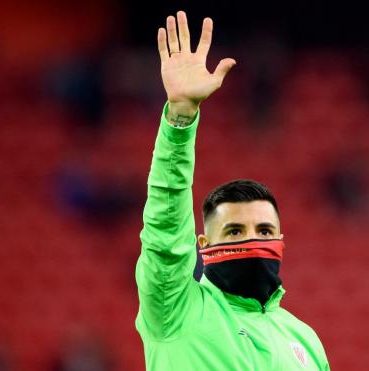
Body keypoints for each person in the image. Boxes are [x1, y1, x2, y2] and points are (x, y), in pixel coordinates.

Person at [134, 11, 330, 370]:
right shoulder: (176, 311)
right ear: (204, 245)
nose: (254, 241)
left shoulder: (305, 339)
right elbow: (164, 232)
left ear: (282, 240)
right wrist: (179, 120)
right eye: (235, 231)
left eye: (265, 231)